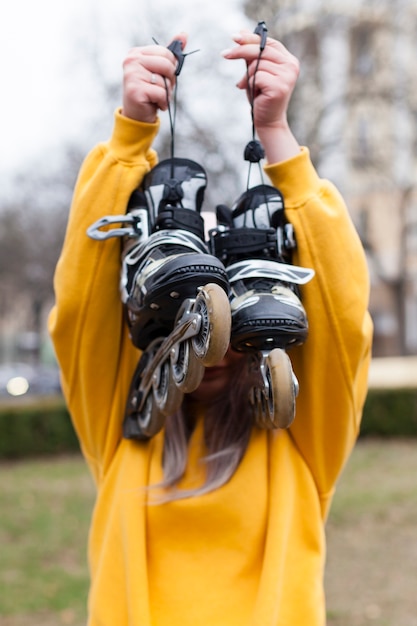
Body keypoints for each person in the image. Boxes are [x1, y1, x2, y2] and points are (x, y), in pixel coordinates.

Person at [49, 28, 373, 626]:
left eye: (229, 320)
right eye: (189, 316)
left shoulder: (299, 439)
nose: (212, 343)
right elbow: (79, 308)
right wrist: (131, 136)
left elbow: (343, 316)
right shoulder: (125, 427)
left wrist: (277, 137)